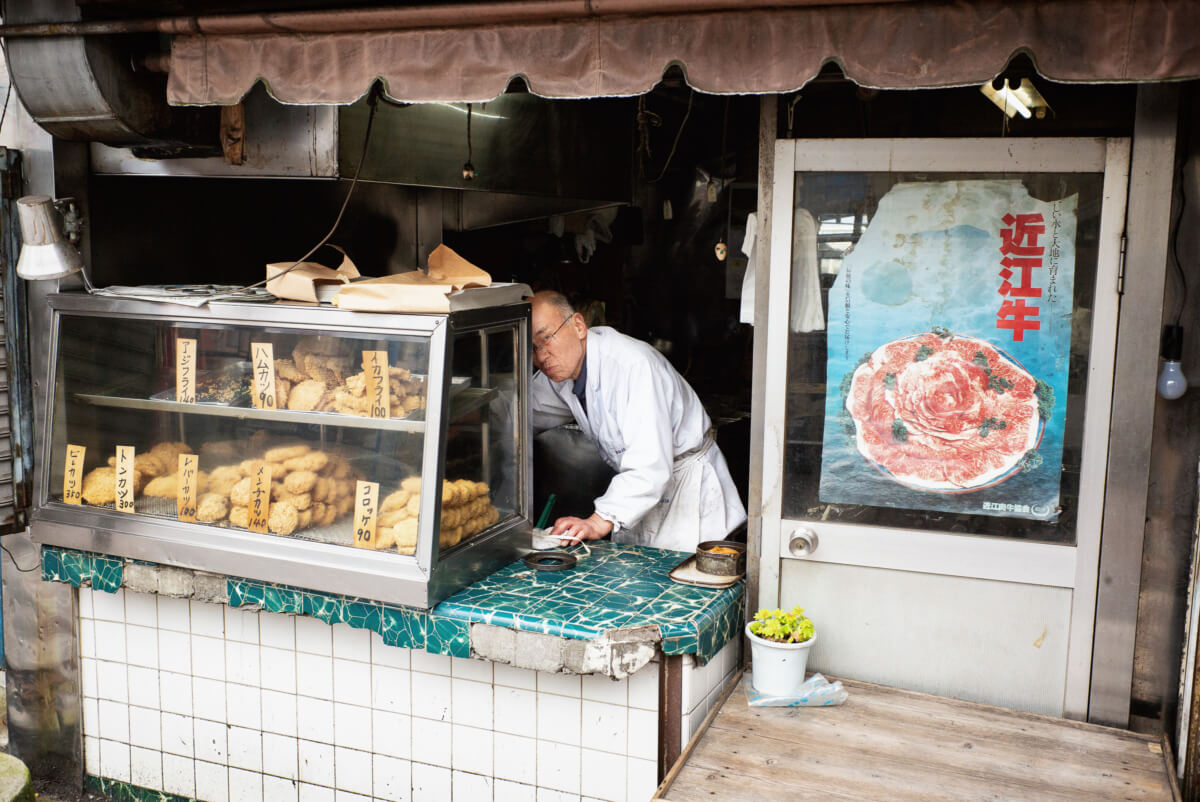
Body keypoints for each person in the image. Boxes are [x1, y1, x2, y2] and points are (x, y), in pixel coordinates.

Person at [529, 290, 746, 552]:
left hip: (686, 496)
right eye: (532, 348)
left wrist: (598, 521)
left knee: (685, 586)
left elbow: (649, 466)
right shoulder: (563, 372)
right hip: (641, 495)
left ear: (578, 325)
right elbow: (518, 411)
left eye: (546, 339)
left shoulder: (632, 366)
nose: (541, 357)